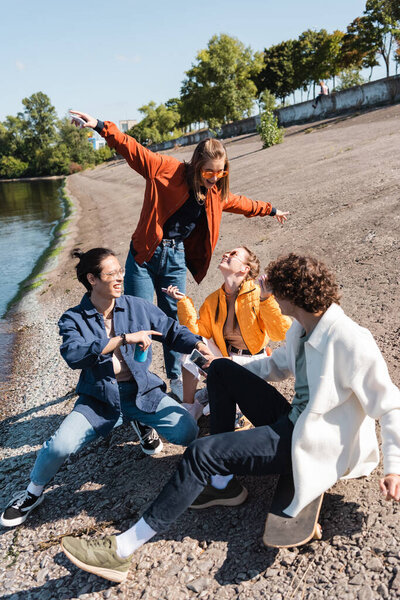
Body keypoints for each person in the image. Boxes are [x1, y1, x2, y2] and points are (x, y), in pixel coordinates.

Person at [60, 253, 400, 584]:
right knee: (221, 369)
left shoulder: (350, 339)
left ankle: (122, 549)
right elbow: (273, 367)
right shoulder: (303, 328)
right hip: (296, 419)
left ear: (290, 297)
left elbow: (390, 405)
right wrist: (218, 364)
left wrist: (393, 467)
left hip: (309, 440)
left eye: (274, 291)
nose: (269, 296)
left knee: (200, 452)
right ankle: (222, 481)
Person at [70, 110, 289, 401]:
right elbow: (132, 149)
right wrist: (100, 126)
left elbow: (240, 202)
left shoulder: (215, 193)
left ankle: (173, 378)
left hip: (175, 258)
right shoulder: (166, 169)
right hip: (145, 256)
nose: (214, 178)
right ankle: (138, 384)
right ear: (196, 165)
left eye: (220, 172)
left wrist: (271, 210)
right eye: (208, 172)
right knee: (137, 320)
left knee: (172, 321)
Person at [0, 248, 214, 528]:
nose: (119, 278)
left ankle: (139, 420)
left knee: (187, 430)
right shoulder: (72, 318)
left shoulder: (137, 306)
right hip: (99, 400)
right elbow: (74, 355)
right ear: (92, 279)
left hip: (143, 392)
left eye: (120, 272)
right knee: (59, 447)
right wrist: (123, 339)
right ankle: (31, 494)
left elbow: (171, 331)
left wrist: (198, 345)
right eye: (111, 273)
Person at [165, 246, 291, 421]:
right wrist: (183, 302)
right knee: (191, 346)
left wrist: (266, 299)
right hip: (225, 357)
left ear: (245, 269)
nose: (226, 254)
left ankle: (218, 398)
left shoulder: (258, 294)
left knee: (226, 408)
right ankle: (190, 405)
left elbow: (280, 333)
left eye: (233, 254)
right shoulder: (213, 299)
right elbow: (198, 333)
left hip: (253, 361)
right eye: (227, 252)